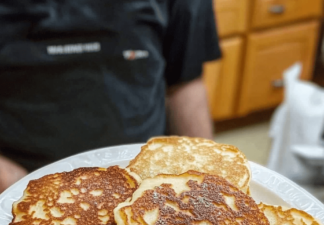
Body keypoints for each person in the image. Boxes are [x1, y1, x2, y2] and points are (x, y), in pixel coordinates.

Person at [0, 0, 221, 192]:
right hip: (21, 180)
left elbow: (184, 80)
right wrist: (12, 182)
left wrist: (203, 176)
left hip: (148, 174)